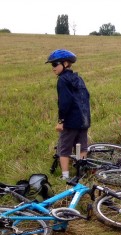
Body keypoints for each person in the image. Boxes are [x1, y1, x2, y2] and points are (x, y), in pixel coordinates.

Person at [45, 49, 91, 180]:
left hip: (71, 121)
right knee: (81, 146)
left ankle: (65, 176)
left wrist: (61, 121)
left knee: (63, 148)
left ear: (65, 64)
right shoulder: (78, 78)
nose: (53, 68)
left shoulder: (62, 80)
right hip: (84, 119)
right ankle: (81, 173)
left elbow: (65, 102)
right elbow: (86, 96)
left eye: (55, 64)